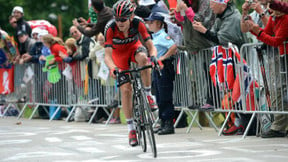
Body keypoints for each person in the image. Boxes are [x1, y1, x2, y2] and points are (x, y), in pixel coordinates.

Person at [104, 0, 158, 147]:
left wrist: (153, 56)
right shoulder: (110, 28)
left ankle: (148, 94)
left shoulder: (138, 23)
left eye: (123, 19)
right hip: (118, 56)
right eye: (117, 18)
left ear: (132, 16)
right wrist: (113, 68)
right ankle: (131, 129)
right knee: (126, 90)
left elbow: (150, 45)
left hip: (134, 48)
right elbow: (107, 55)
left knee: (144, 59)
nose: (119, 22)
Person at [245, 0, 288, 138]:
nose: (269, 11)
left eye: (272, 8)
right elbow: (266, 33)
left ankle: (279, 126)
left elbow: (276, 41)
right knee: (281, 91)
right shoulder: (275, 17)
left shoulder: (286, 18)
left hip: (284, 55)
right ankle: (279, 126)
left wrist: (258, 32)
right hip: (283, 57)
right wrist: (254, 28)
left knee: (283, 92)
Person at [146, 12, 177, 135]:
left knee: (165, 96)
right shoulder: (154, 36)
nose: (149, 24)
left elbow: (173, 46)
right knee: (159, 96)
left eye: (151, 22)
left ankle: (168, 123)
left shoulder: (163, 36)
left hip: (164, 68)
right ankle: (163, 122)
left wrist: (163, 57)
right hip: (157, 69)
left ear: (159, 23)